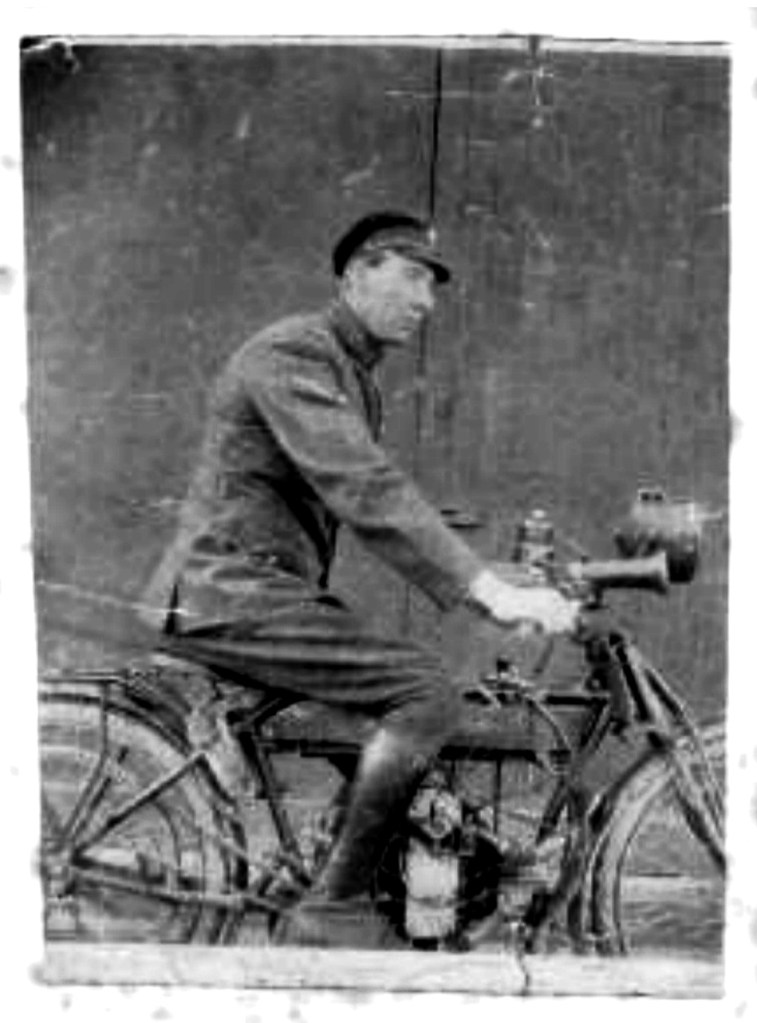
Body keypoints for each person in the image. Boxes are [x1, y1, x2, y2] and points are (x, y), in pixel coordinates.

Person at [140, 210, 577, 947]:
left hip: (262, 593)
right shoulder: (294, 353)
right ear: (354, 275)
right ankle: (331, 909)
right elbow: (362, 486)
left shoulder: (348, 372)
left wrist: (494, 580)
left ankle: (361, 875)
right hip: (232, 594)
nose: (425, 301)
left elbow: (368, 495)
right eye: (410, 277)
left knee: (391, 696)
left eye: (431, 286)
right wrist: (486, 590)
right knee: (425, 692)